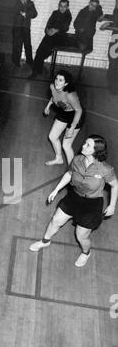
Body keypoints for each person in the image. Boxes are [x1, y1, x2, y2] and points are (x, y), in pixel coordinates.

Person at [30, 135, 118, 267]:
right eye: (85, 143)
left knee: (81, 235)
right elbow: (69, 174)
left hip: (91, 205)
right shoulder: (77, 160)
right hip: (74, 197)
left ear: (96, 150)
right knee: (56, 220)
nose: (83, 146)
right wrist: (56, 190)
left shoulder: (105, 169)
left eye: (87, 145)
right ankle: (45, 241)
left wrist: (112, 205)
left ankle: (86, 253)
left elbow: (115, 185)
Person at [43, 70, 84, 166]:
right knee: (52, 137)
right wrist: (48, 106)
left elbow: (79, 110)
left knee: (66, 145)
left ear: (66, 83)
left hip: (75, 115)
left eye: (61, 80)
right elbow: (54, 97)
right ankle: (59, 158)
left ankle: (72, 171)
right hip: (64, 113)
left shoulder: (70, 95)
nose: (57, 81)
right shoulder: (52, 86)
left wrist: (72, 128)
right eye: (57, 79)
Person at [29, 0, 72, 78]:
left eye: (64, 6)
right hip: (50, 35)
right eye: (61, 6)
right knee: (39, 51)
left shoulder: (68, 15)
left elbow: (65, 28)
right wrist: (47, 30)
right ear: (58, 6)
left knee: (44, 52)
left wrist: (55, 30)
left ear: (67, 7)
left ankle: (39, 69)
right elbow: (49, 23)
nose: (62, 8)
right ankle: (35, 71)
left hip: (59, 37)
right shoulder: (55, 13)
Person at [12, 0, 37, 68]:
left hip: (26, 27)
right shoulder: (15, 3)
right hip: (17, 27)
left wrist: (27, 14)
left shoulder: (30, 3)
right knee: (17, 45)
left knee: (28, 45)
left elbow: (35, 14)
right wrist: (22, 13)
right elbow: (14, 11)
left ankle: (29, 61)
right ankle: (16, 61)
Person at [100, 0, 118, 95]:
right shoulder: (116, 10)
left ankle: (114, 88)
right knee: (112, 61)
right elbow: (116, 20)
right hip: (115, 39)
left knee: (115, 63)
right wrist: (105, 17)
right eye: (117, 1)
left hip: (116, 38)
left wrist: (107, 26)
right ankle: (112, 86)